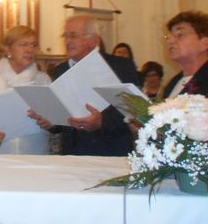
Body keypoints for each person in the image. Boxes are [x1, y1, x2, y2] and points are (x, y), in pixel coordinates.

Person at [33, 15, 140, 156]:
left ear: (93, 40)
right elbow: (61, 122)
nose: (67, 41)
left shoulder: (121, 67)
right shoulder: (60, 70)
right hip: (72, 155)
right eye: (65, 36)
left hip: (111, 153)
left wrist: (102, 122)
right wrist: (50, 122)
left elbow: (135, 112)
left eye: (73, 36)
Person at [0, 26, 51, 154]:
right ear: (7, 49)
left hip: (35, 152)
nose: (30, 49)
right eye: (23, 44)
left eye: (34, 45)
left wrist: (48, 122)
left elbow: (54, 119)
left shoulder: (44, 79)